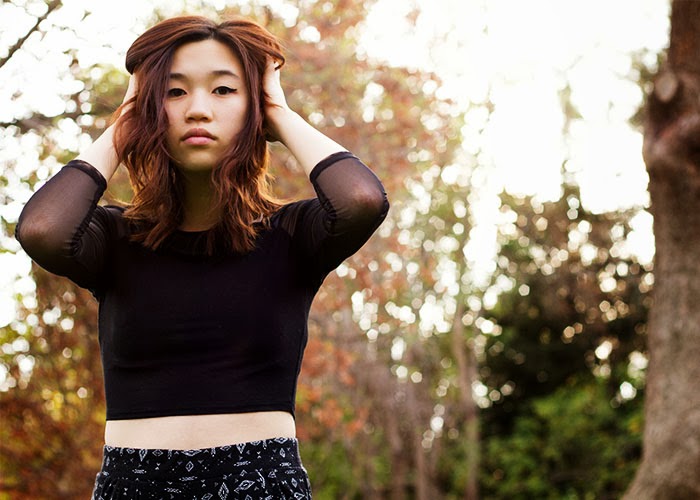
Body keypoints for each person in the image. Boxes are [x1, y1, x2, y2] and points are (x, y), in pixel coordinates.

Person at [15, 15, 388, 499]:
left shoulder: (291, 234)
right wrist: (126, 122)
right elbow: (43, 230)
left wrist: (277, 111)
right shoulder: (114, 237)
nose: (197, 110)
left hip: (261, 484)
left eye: (224, 90)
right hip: (133, 486)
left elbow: (361, 201)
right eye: (173, 92)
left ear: (254, 107)